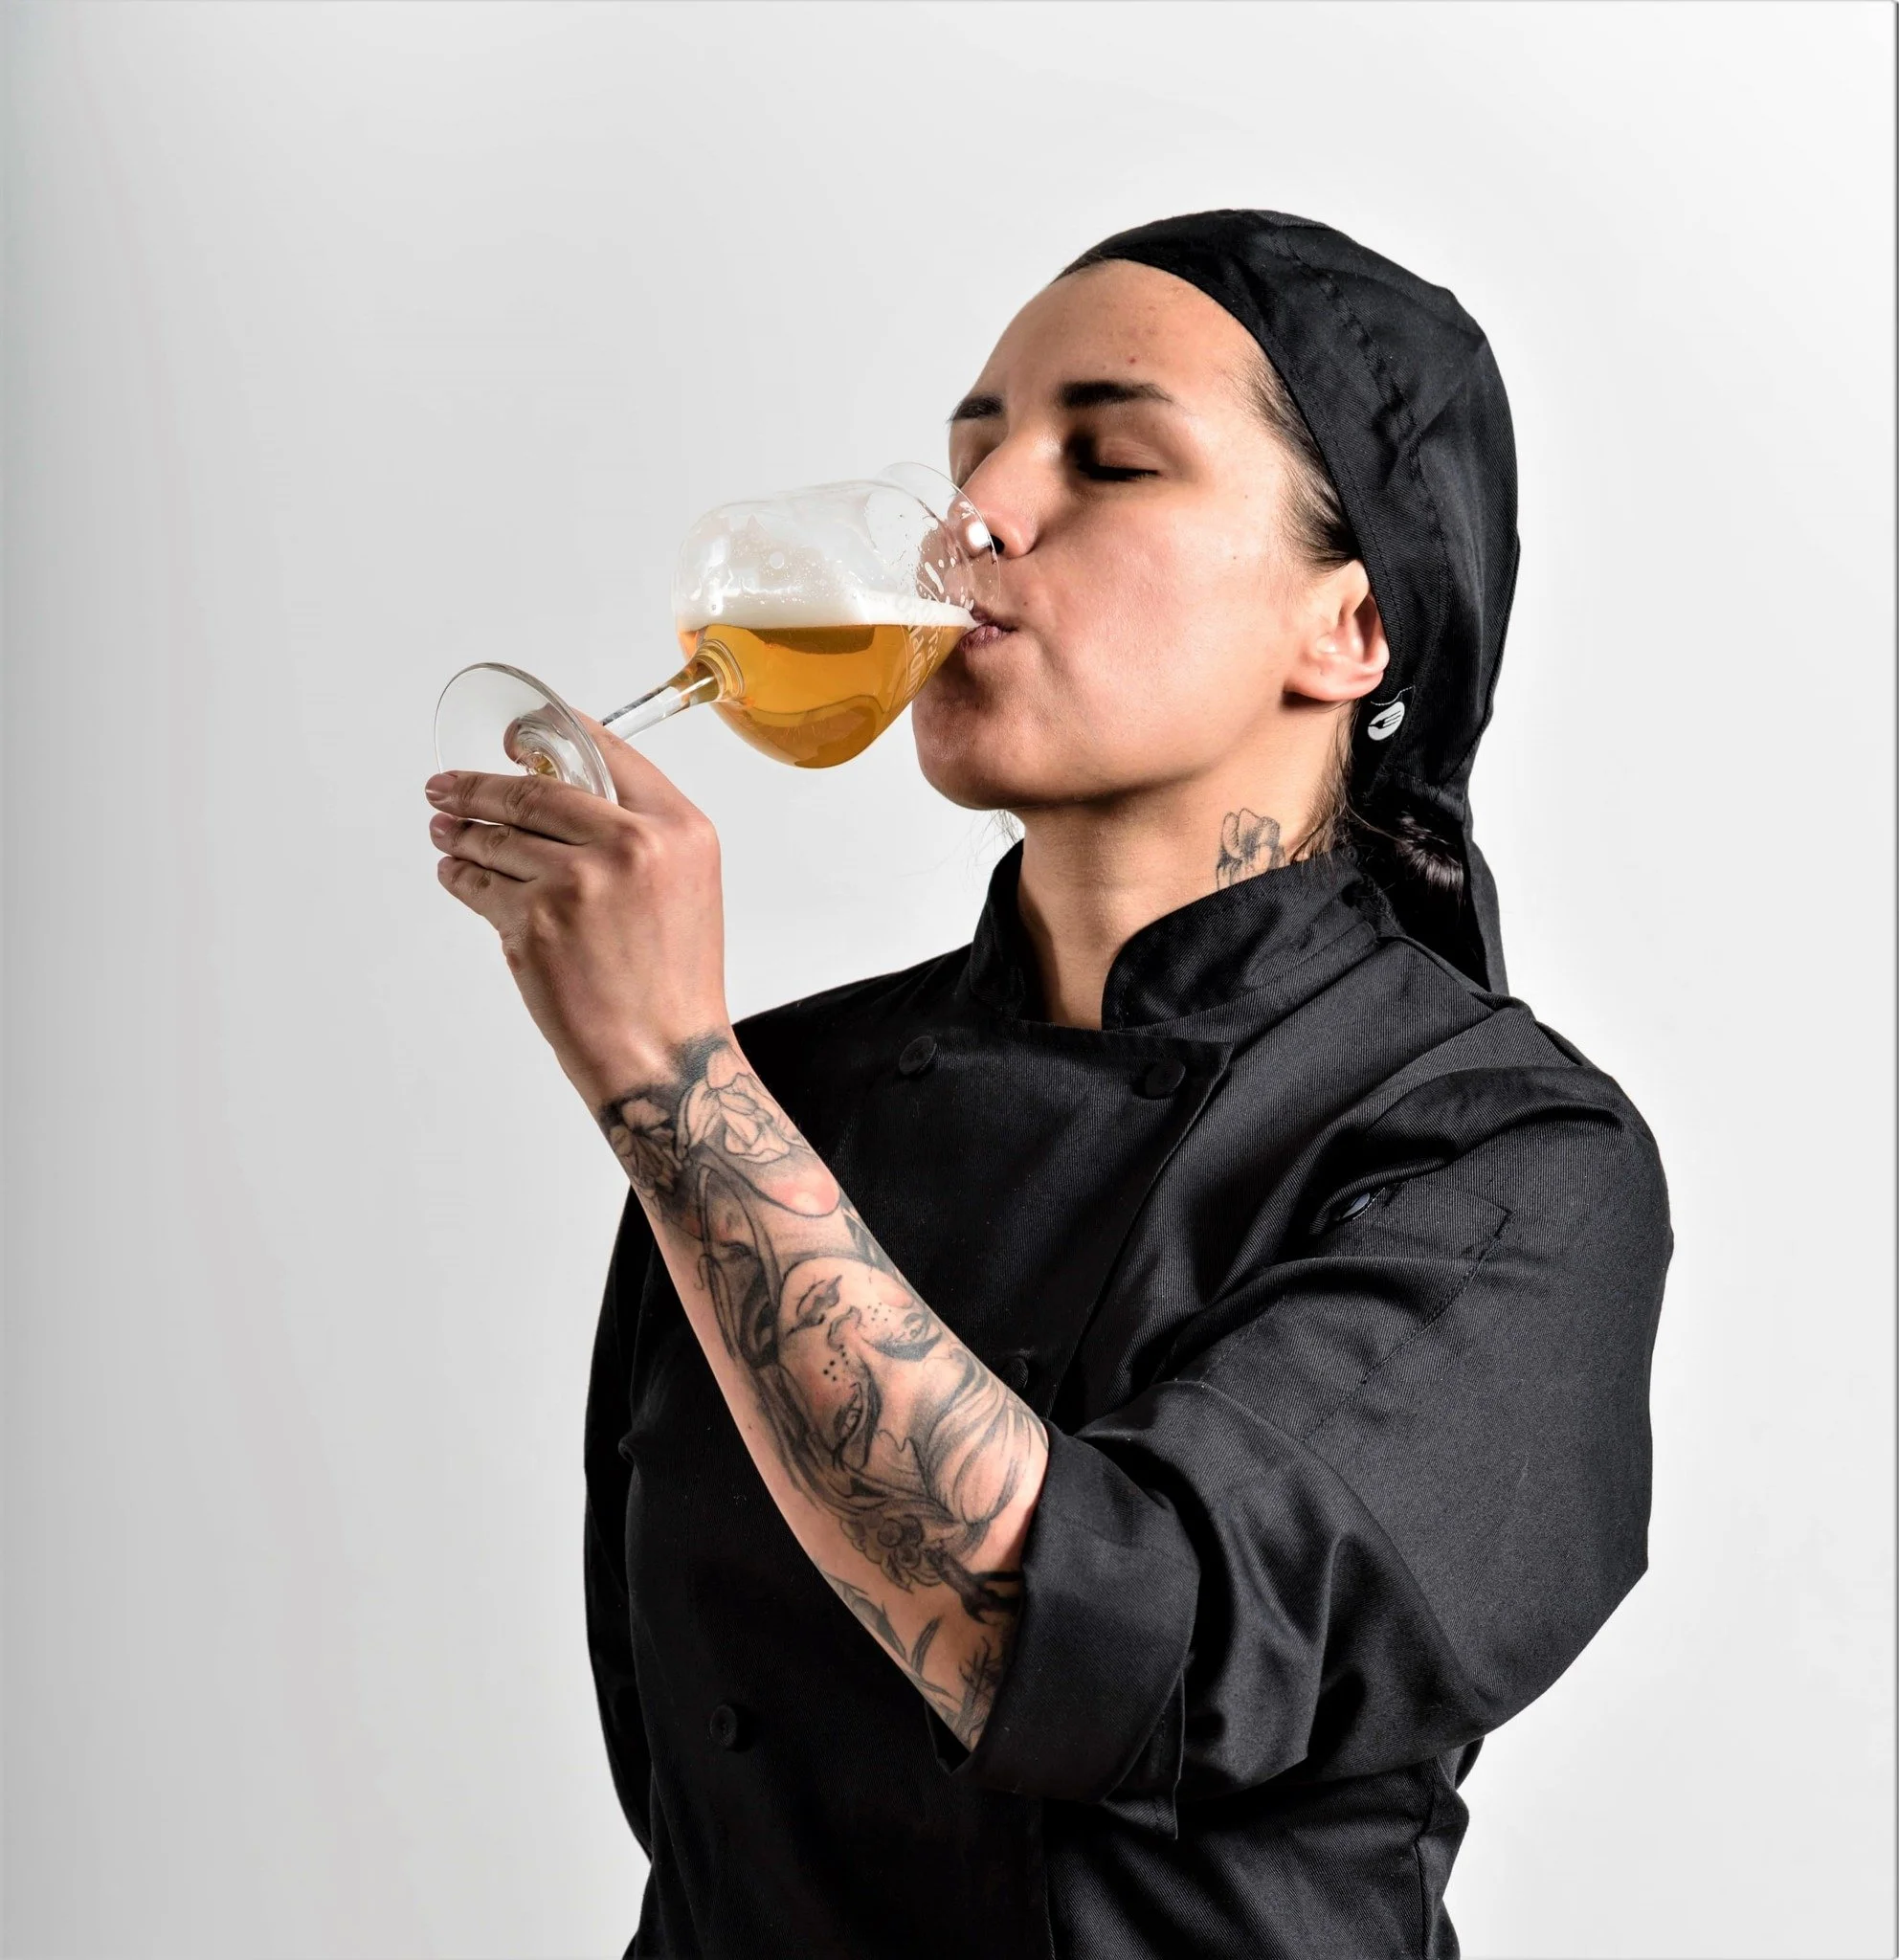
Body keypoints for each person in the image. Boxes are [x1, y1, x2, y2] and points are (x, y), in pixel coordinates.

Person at [424, 209, 1675, 1960]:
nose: (976, 519)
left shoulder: (1508, 1160)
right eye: (973, 457)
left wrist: (667, 1078)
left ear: (1350, 626)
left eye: (1110, 459)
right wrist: (694, 1085)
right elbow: (683, 1793)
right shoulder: (794, 1088)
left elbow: (1099, 1647)